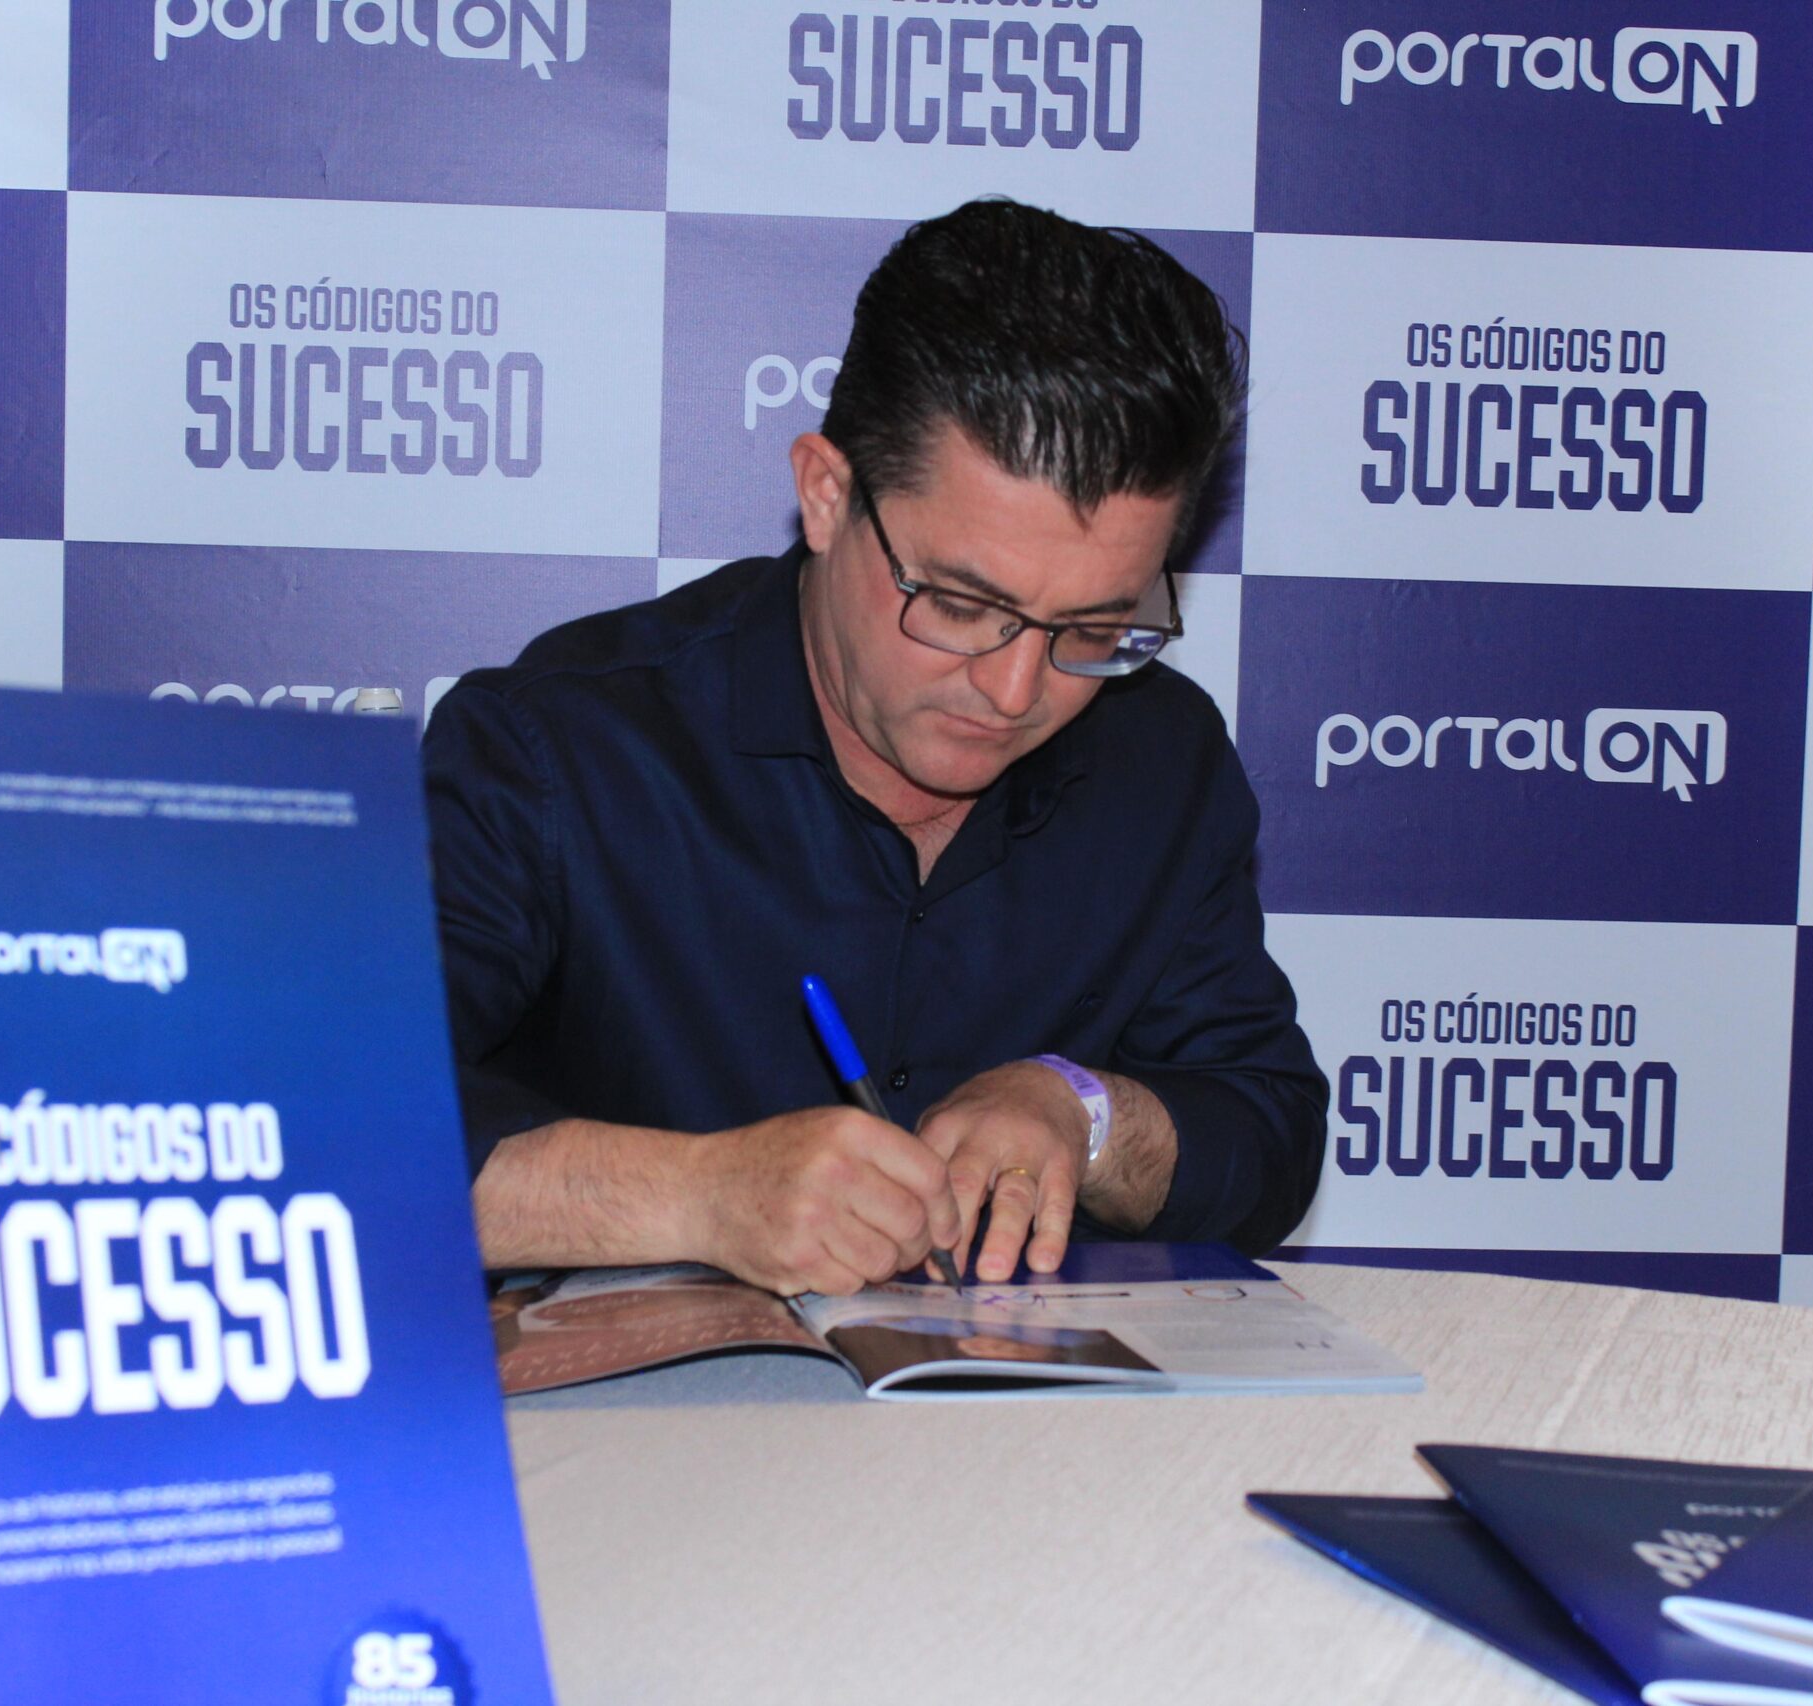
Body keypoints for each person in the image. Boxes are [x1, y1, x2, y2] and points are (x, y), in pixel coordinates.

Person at [424, 197, 1325, 1297]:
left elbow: (1268, 1134)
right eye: (959, 604)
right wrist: (697, 1195)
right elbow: (318, 1126)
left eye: (1094, 628)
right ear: (826, 494)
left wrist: (1083, 1112)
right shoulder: (558, 749)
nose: (1013, 690)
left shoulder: (1160, 760)